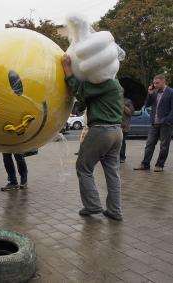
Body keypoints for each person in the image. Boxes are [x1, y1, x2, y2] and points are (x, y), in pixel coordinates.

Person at [61, 54, 124, 221]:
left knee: (83, 167)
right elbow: (87, 100)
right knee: (112, 173)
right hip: (117, 132)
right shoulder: (116, 84)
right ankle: (114, 210)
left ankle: (92, 205)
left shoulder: (106, 83)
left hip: (101, 130)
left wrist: (67, 69)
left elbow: (79, 90)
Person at [134, 74, 173, 172]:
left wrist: (167, 120)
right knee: (149, 144)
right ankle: (145, 164)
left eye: (157, 83)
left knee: (164, 146)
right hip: (154, 123)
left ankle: (160, 165)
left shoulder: (171, 92)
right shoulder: (154, 92)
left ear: (163, 82)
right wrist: (149, 94)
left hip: (165, 124)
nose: (155, 85)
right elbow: (147, 104)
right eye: (154, 83)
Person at [120, 97, 134, 163]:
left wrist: (123, 106)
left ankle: (122, 157)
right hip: (115, 124)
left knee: (122, 141)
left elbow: (130, 113)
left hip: (124, 125)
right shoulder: (113, 98)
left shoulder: (128, 101)